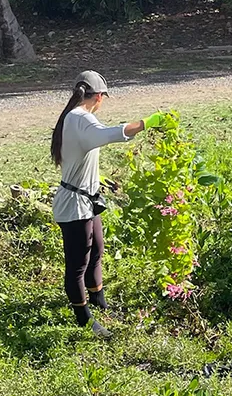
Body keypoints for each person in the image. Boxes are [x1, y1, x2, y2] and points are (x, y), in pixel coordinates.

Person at [50, 71, 165, 336]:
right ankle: (85, 319)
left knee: (97, 250)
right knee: (78, 263)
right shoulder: (80, 118)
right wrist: (146, 123)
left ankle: (99, 301)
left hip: (87, 200)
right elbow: (109, 134)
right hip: (74, 204)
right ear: (99, 97)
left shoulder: (76, 117)